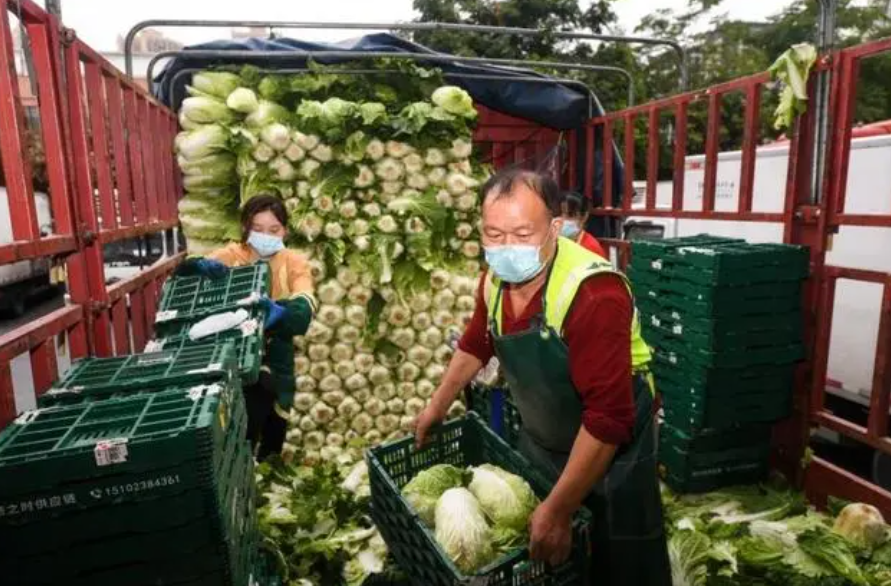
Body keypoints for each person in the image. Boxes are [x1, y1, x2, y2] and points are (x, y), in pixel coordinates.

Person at [414, 169, 670, 586]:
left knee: (621, 556)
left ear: (555, 228)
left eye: (521, 233)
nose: (506, 247)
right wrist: (437, 406)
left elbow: (609, 418)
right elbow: (477, 342)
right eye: (494, 235)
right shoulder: (494, 279)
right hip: (544, 432)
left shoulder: (595, 292)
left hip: (613, 449)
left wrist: (558, 509)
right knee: (542, 558)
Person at [176, 194, 316, 459]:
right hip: (231, 353)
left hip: (276, 358)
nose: (266, 236)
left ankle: (267, 468)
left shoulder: (294, 263)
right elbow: (185, 276)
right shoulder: (231, 256)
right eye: (258, 229)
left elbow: (305, 306)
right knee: (242, 424)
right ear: (246, 229)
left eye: (274, 230)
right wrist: (198, 267)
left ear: (284, 230)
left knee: (274, 420)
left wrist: (281, 312)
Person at [560, 190, 608, 258]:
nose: (563, 219)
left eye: (570, 215)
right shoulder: (552, 243)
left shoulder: (592, 248)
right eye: (559, 214)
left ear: (584, 217)